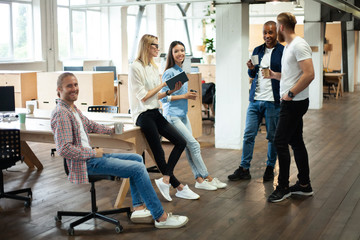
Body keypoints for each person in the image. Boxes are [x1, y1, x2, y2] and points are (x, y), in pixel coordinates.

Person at [51, 72, 188, 228]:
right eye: (69, 86)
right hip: (85, 163)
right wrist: (92, 153)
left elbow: (90, 125)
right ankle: (161, 217)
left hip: (91, 158)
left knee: (138, 159)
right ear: (59, 90)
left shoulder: (72, 108)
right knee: (137, 168)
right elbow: (64, 149)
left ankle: (138, 207)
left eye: (76, 85)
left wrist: (111, 130)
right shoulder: (61, 113)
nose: (74, 88)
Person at [128, 34, 200, 201]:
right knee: (159, 152)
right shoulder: (135, 67)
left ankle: (166, 179)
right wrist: (163, 85)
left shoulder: (153, 67)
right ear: (147, 47)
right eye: (155, 46)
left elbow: (155, 97)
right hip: (142, 114)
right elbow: (143, 97)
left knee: (181, 142)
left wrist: (170, 92)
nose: (158, 49)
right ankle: (179, 187)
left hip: (155, 111)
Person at [160, 41, 227, 191]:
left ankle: (199, 180)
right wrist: (184, 95)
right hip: (172, 115)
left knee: (191, 146)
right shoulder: (169, 72)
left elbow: (179, 94)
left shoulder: (181, 71)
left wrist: (188, 96)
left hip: (183, 114)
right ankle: (207, 177)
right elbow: (163, 98)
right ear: (171, 54)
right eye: (176, 51)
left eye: (182, 50)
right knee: (195, 145)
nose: (180, 53)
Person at [266, 12, 315, 203]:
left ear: (281, 27)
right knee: (296, 142)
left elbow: (309, 74)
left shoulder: (299, 45)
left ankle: (283, 187)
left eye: (276, 26)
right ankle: (304, 184)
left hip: (293, 103)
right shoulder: (289, 47)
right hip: (291, 101)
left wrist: (291, 93)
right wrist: (274, 75)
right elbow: (292, 75)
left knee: (280, 141)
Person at [228, 21, 284, 182]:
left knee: (272, 137)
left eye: (270, 33)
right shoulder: (257, 50)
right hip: (255, 101)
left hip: (273, 101)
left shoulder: (283, 51)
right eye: (265, 32)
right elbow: (252, 75)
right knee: (248, 135)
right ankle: (244, 168)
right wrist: (251, 68)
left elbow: (287, 75)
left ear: (276, 34)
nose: (267, 36)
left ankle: (270, 167)